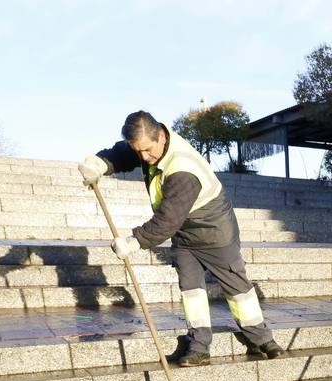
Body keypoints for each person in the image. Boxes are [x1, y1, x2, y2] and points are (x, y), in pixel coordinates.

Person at [79, 110, 282, 367]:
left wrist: (134, 241)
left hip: (214, 230)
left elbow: (166, 221)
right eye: (138, 150)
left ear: (161, 136)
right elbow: (123, 153)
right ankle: (198, 346)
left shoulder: (182, 169)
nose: (144, 157)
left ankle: (263, 340)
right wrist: (101, 163)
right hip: (184, 234)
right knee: (191, 291)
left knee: (238, 288)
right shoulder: (147, 144)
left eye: (147, 150)